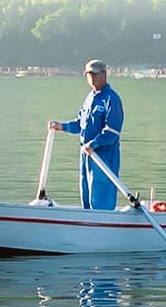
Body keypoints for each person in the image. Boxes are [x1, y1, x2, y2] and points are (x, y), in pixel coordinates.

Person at [54, 59, 126, 209]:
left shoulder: (111, 99)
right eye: (89, 75)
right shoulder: (89, 98)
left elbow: (112, 130)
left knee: (101, 197)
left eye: (95, 74)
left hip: (103, 157)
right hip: (86, 155)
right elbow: (80, 123)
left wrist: (94, 144)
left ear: (104, 74)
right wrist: (62, 127)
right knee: (86, 193)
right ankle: (87, 221)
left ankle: (103, 223)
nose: (92, 78)